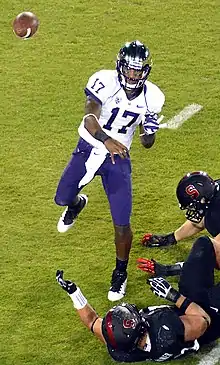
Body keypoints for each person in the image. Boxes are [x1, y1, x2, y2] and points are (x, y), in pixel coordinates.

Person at [54, 40, 165, 301]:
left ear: (145, 71)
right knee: (61, 197)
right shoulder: (104, 80)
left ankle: (120, 272)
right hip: (89, 147)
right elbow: (90, 118)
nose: (133, 75)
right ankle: (76, 203)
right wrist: (106, 140)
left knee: (122, 222)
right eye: (129, 69)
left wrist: (149, 132)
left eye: (138, 71)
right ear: (120, 66)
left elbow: (146, 143)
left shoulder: (154, 97)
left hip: (119, 159)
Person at [56, 235, 220, 362]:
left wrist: (74, 293)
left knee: (204, 245)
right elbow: (203, 319)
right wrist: (172, 295)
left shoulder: (120, 347)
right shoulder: (165, 332)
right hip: (207, 317)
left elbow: (92, 322)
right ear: (141, 328)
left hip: (185, 310)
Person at [141, 171, 220, 248]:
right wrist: (169, 239)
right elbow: (197, 223)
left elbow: (216, 252)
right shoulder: (214, 191)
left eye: (193, 205)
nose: (194, 209)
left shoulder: (215, 212)